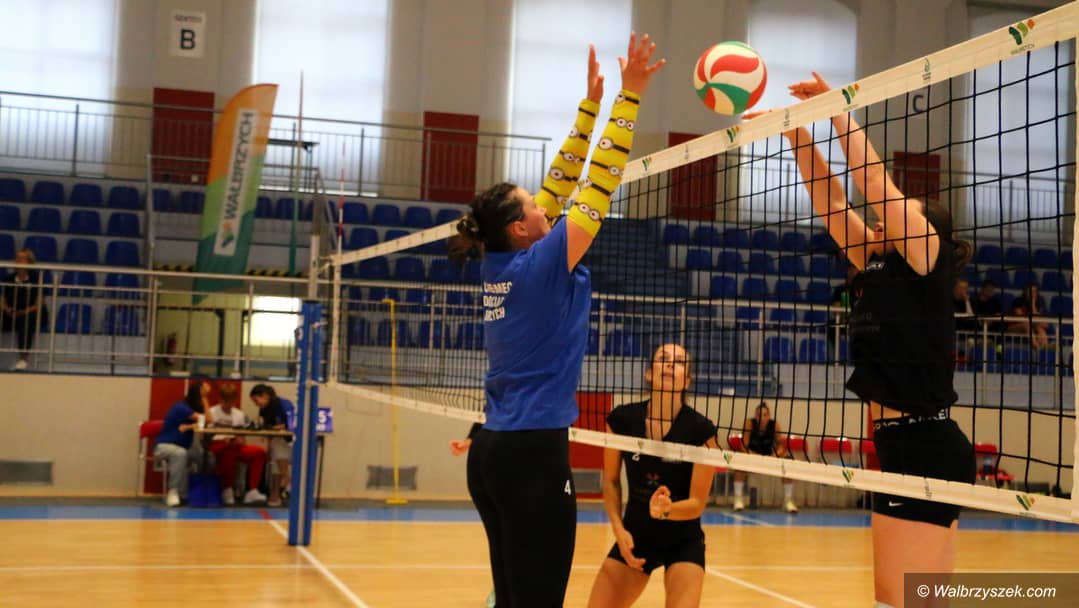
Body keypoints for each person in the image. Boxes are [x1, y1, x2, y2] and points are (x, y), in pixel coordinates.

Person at [448, 33, 665, 607]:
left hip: (493, 454)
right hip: (531, 456)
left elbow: (564, 180)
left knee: (514, 598)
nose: (547, 203)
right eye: (535, 205)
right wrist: (629, 96)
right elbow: (598, 184)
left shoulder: (502, 259)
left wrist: (590, 107)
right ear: (521, 228)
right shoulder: (540, 264)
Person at [751, 71, 975, 608]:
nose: (881, 218)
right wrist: (796, 131)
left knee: (900, 600)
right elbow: (831, 201)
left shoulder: (926, 256)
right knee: (916, 599)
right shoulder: (877, 260)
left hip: (926, 444)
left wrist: (838, 107)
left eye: (899, 212)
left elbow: (875, 183)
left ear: (924, 229)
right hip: (901, 443)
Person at [586, 343, 717, 608]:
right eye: (663, 358)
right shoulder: (622, 420)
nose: (670, 364)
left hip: (683, 539)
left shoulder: (701, 430)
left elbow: (697, 503)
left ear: (687, 380)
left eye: (679, 362)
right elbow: (611, 482)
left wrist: (667, 510)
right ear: (649, 373)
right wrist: (618, 530)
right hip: (635, 535)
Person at [732, 402, 798, 514]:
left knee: (787, 463)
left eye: (765, 415)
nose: (762, 418)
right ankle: (738, 499)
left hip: (769, 459)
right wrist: (752, 456)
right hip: (752, 458)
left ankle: (788, 500)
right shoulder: (749, 424)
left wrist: (775, 456)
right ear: (755, 416)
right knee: (739, 463)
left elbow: (781, 446)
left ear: (769, 416)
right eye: (759, 415)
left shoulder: (774, 425)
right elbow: (743, 446)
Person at [155, 381, 213, 507]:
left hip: (184, 447)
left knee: (206, 456)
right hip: (164, 446)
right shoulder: (181, 407)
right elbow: (208, 419)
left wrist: (190, 426)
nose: (202, 403)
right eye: (201, 399)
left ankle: (198, 491)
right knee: (180, 454)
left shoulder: (193, 410)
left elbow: (206, 420)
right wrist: (204, 397)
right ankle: (173, 491)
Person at [208, 384, 268, 505]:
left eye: (232, 401)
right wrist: (223, 440)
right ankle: (227, 489)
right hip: (217, 445)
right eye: (226, 401)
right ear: (220, 399)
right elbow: (206, 436)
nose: (229, 404)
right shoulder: (211, 412)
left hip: (235, 445)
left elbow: (243, 435)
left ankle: (252, 491)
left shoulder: (239, 414)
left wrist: (240, 440)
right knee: (229, 450)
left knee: (259, 453)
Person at [249, 384, 293, 507]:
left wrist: (276, 428)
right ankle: (276, 494)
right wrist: (268, 448)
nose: (256, 404)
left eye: (256, 400)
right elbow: (268, 431)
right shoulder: (263, 410)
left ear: (265, 396)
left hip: (293, 443)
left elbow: (291, 424)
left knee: (278, 449)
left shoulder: (284, 404)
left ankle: (287, 482)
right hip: (278, 443)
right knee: (275, 456)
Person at [1, 249, 45, 371]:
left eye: (22, 258)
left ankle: (23, 359)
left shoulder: (37, 279)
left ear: (29, 262)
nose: (18, 261)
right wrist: (7, 309)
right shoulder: (8, 278)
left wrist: (24, 311)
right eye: (17, 258)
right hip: (11, 312)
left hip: (30, 312)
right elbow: (2, 300)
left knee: (26, 321)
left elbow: (39, 302)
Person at [1008, 283, 1049, 350]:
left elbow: (1045, 325)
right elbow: (1021, 319)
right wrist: (1037, 322)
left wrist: (1033, 305)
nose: (1033, 293)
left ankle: (1045, 349)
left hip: (1030, 327)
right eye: (1030, 291)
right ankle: (1036, 346)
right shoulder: (1018, 301)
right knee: (1026, 325)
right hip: (1014, 327)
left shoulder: (1038, 303)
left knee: (1041, 330)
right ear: (1025, 292)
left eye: (1035, 291)